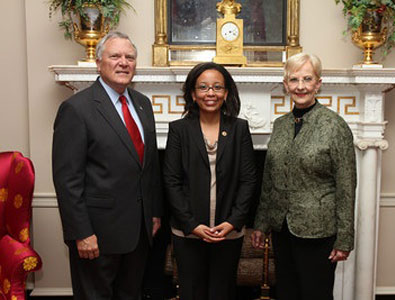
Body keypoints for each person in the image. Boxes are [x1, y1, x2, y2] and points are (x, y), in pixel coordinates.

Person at [52, 31, 163, 300]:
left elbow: (148, 167)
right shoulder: (77, 109)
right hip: (97, 234)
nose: (124, 62)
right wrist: (82, 233)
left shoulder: (143, 104)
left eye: (130, 57)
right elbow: (68, 180)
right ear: (99, 63)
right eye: (115, 56)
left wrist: (154, 212)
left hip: (138, 233)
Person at [251, 53, 357, 300]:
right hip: (282, 228)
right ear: (285, 84)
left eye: (307, 79)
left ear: (318, 83)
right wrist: (261, 223)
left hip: (319, 231)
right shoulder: (280, 125)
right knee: (287, 291)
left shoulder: (334, 126)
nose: (300, 86)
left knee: (315, 294)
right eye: (294, 79)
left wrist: (344, 238)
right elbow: (270, 179)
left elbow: (346, 185)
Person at [163, 62, 257, 300]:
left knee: (222, 292)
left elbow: (248, 179)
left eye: (217, 87)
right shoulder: (179, 130)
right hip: (188, 232)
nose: (210, 93)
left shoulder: (239, 129)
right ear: (193, 94)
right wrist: (191, 224)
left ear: (226, 93)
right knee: (191, 292)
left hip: (228, 232)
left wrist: (234, 221)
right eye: (203, 87)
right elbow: (171, 181)